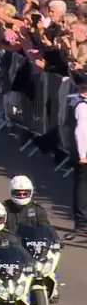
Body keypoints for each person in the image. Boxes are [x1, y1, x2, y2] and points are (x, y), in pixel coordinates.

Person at [2, 175, 58, 240]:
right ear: (11, 192)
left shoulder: (37, 210)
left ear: (30, 192)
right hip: (9, 246)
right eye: (18, 194)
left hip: (32, 246)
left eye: (25, 194)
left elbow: (45, 227)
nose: (21, 196)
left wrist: (56, 239)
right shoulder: (3, 209)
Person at [66, 79, 87, 235]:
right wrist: (83, 155)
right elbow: (81, 131)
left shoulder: (77, 101)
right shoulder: (83, 106)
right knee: (82, 185)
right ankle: (81, 222)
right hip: (84, 153)